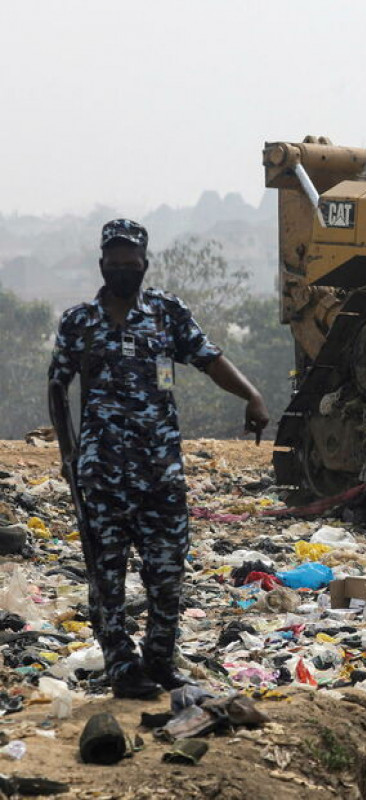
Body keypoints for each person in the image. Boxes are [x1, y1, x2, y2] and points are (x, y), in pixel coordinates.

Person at [47, 219, 269, 699]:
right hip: (101, 475)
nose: (123, 270)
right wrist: (68, 454)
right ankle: (123, 668)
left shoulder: (168, 313)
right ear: (101, 265)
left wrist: (251, 396)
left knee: (167, 573)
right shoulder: (78, 322)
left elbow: (209, 360)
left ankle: (160, 661)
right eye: (115, 263)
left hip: (160, 472)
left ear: (144, 264)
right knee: (106, 579)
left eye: (132, 264)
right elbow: (57, 385)